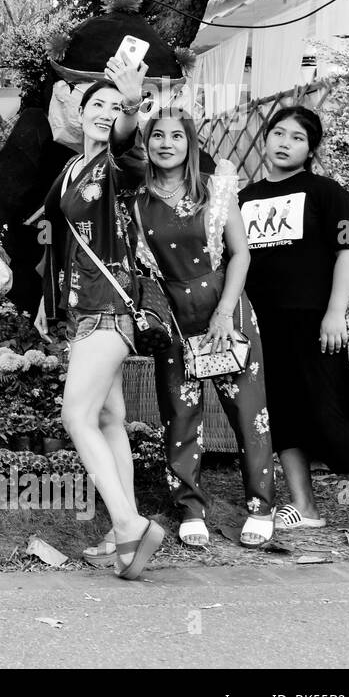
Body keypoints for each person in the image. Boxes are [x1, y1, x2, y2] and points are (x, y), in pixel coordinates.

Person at [239, 106, 349, 552]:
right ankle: (304, 506)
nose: (285, 142)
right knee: (283, 415)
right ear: (266, 139)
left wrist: (336, 312)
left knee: (329, 415)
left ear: (310, 149)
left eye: (298, 137)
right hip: (262, 324)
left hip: (315, 321)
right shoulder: (244, 199)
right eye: (278, 133)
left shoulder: (327, 193)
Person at [38, 58, 165, 580]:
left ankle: (130, 525)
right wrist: (50, 302)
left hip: (110, 311)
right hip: (84, 309)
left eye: (115, 106)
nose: (106, 112)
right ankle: (120, 532)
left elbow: (127, 148)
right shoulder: (69, 169)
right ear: (79, 111)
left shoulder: (118, 164)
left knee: (76, 417)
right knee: (110, 420)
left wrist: (131, 108)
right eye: (98, 104)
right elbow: (58, 240)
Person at [136, 109, 274, 548]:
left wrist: (224, 311)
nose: (166, 143)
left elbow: (241, 253)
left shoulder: (215, 189)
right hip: (174, 314)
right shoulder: (137, 200)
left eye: (177, 135)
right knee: (180, 413)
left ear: (191, 143)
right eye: (157, 135)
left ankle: (261, 507)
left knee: (248, 412)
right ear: (147, 143)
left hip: (225, 308)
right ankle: (190, 507)